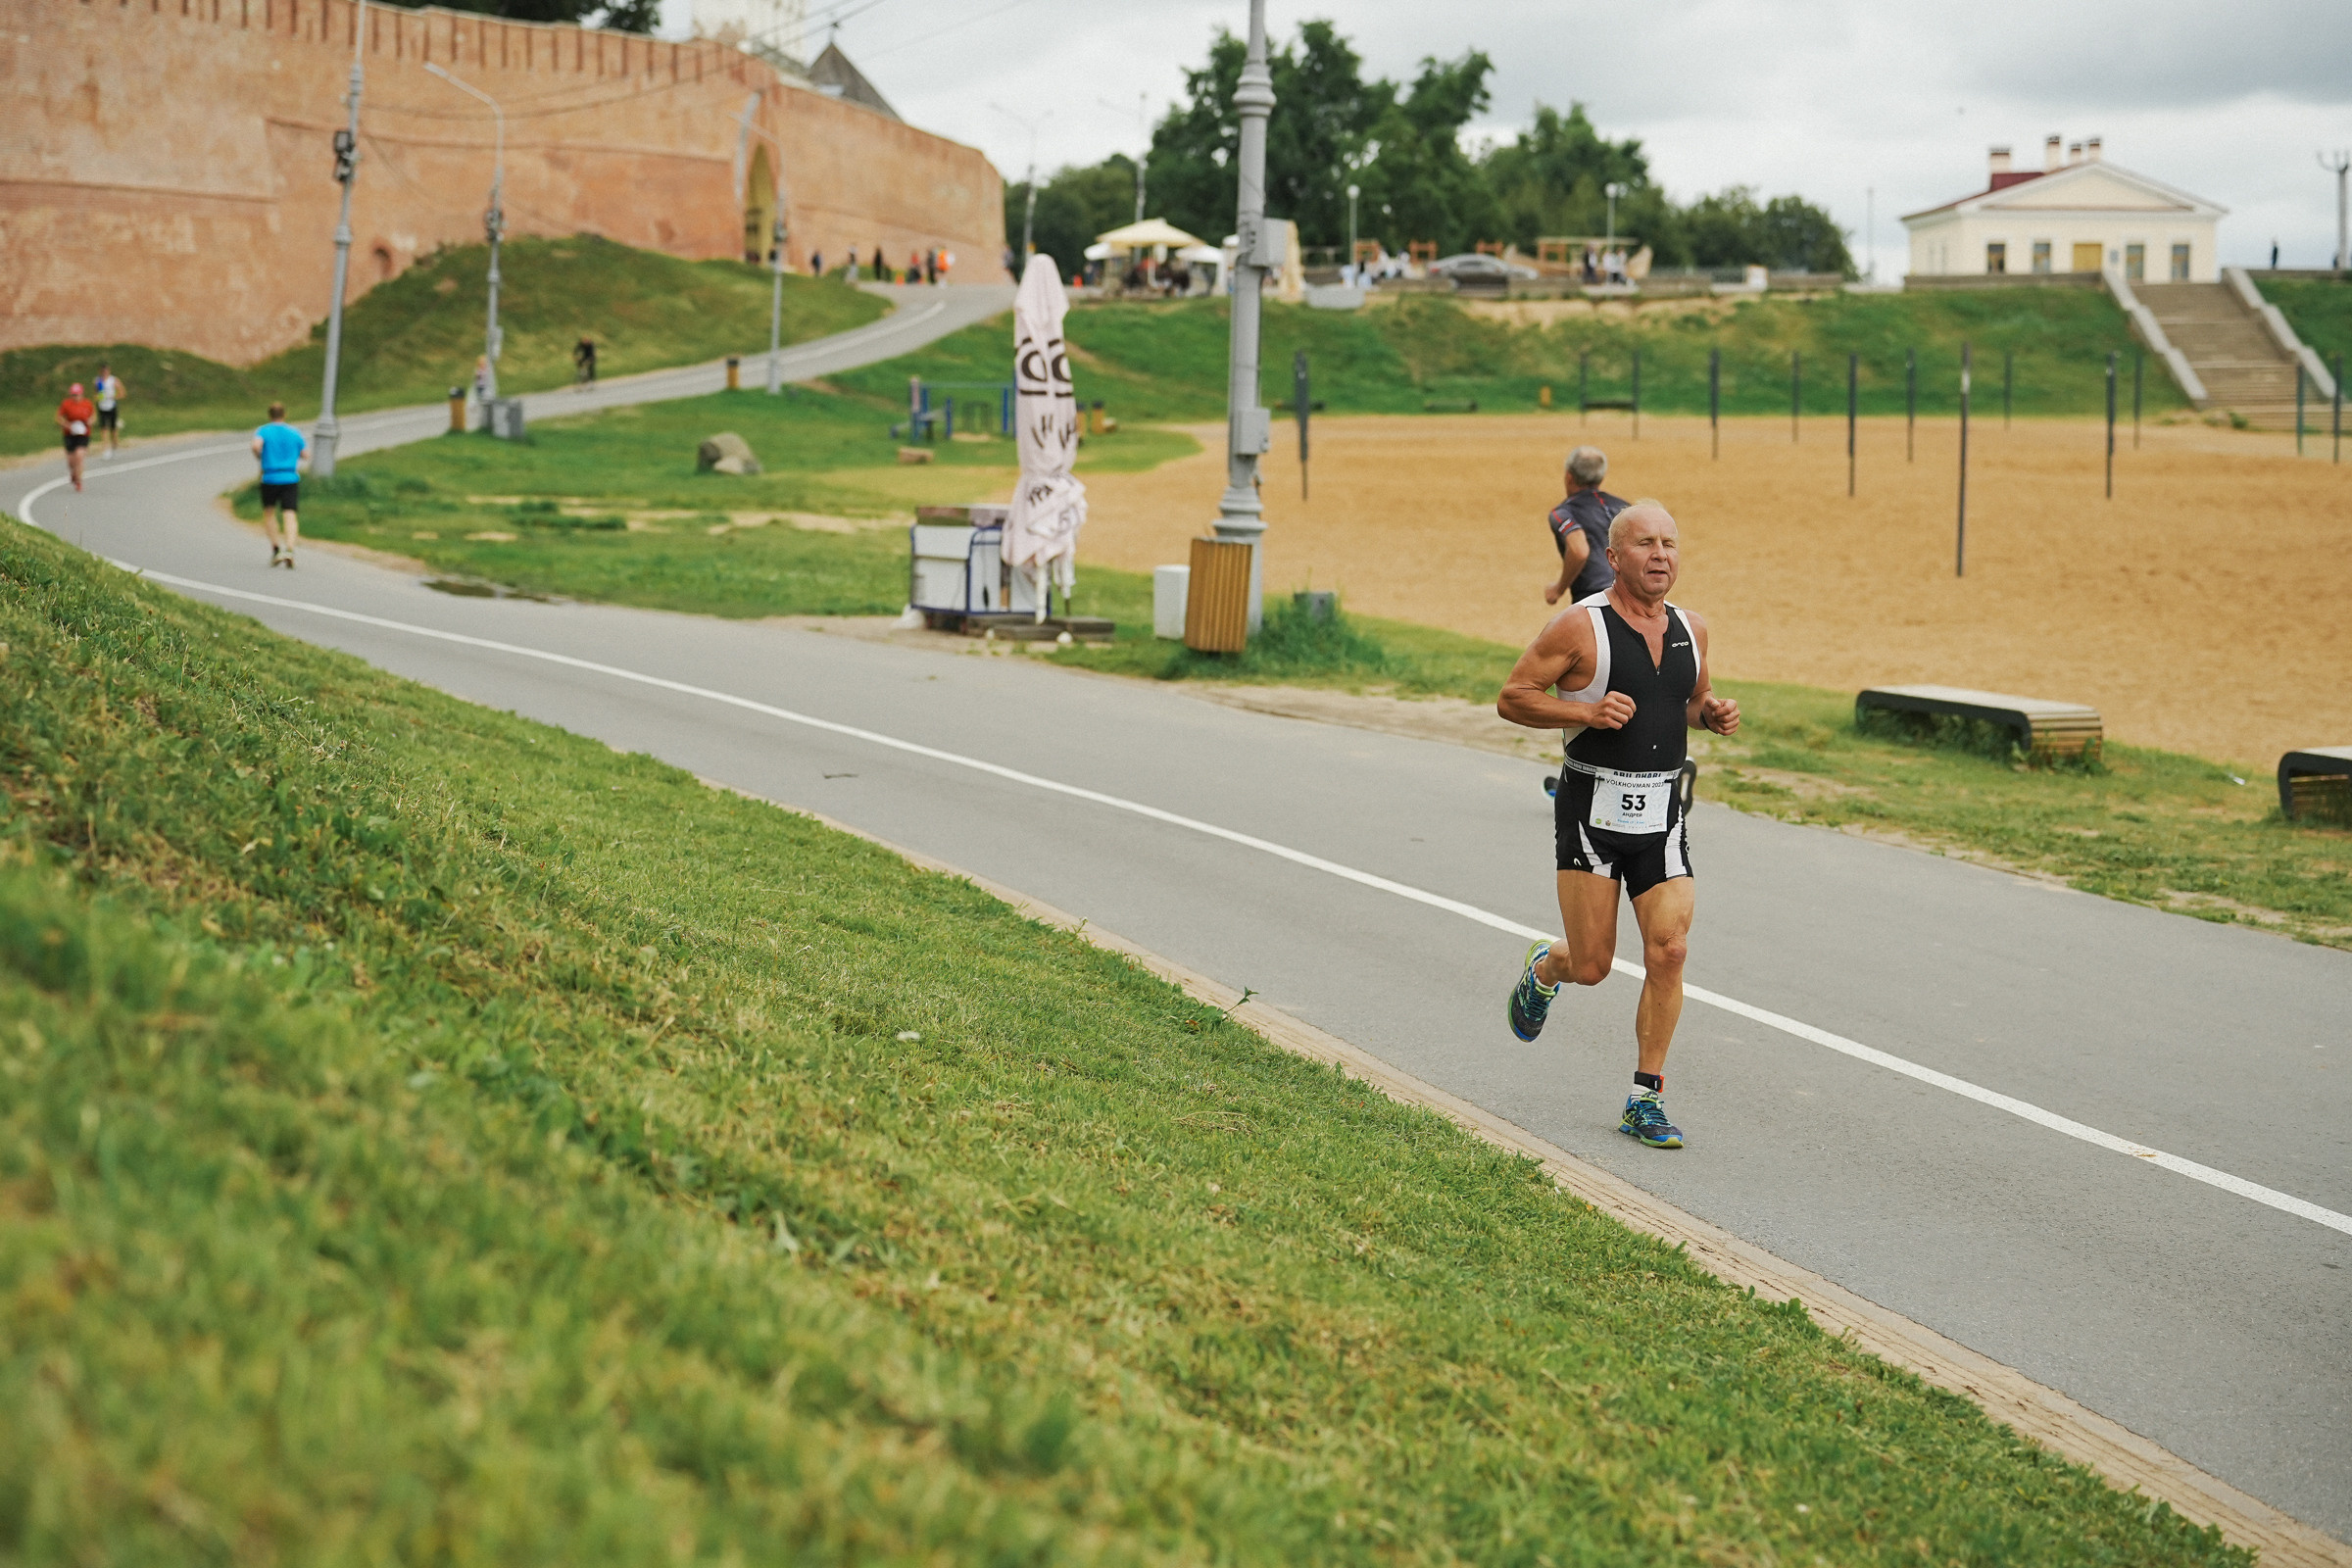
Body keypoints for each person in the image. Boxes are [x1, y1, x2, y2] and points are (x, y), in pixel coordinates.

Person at [1497, 502, 1740, 1150]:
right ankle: (1548, 970)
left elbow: (1687, 702)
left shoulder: (1695, 629)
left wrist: (1709, 714)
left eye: (1670, 544)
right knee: (1595, 964)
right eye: (1646, 545)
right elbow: (1513, 696)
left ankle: (1644, 1098)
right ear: (1615, 556)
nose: (1661, 555)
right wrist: (1585, 708)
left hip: (1662, 809)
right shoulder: (1580, 628)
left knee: (1671, 950)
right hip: (1591, 810)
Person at [1544, 445, 1628, 606]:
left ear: (1569, 477)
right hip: (1631, 597)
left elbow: (1579, 551)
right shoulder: (1626, 508)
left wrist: (1558, 589)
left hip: (1592, 599)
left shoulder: (1562, 513)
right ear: (1601, 477)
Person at [251, 401, 308, 568]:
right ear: (285, 414)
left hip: (270, 477)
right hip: (290, 476)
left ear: (270, 415)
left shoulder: (264, 431)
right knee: (289, 514)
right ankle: (290, 549)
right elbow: (305, 454)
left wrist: (259, 457)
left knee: (269, 512)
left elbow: (256, 446)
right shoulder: (294, 432)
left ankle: (276, 549)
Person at [55, 381, 96, 492]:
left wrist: (90, 421)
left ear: (81, 394)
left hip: (83, 434)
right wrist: (67, 425)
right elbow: (59, 418)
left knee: (79, 456)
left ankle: (79, 481)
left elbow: (93, 416)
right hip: (70, 434)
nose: (75, 397)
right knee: (71, 460)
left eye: (77, 394)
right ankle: (73, 473)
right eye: (73, 395)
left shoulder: (87, 404)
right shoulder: (66, 404)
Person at [93, 363, 127, 458]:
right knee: (103, 428)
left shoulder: (113, 380)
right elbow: (96, 394)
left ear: (109, 371)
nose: (104, 373)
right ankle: (105, 448)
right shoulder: (97, 381)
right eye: (102, 371)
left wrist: (113, 396)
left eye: (106, 371)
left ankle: (115, 444)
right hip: (102, 406)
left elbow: (122, 393)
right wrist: (98, 397)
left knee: (113, 428)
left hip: (112, 406)